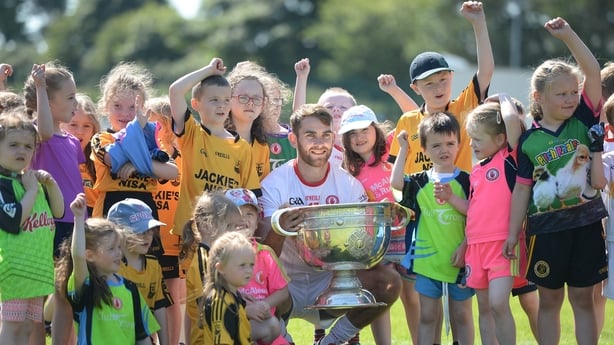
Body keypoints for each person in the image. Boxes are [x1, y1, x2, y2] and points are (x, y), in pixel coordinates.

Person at [260, 104, 401, 345]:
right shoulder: (275, 183)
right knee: (249, 283)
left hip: (330, 282)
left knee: (389, 282)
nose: (319, 142)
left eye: (326, 135)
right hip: (286, 285)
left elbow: (362, 243)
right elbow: (263, 253)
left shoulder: (348, 184)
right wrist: (279, 228)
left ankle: (333, 340)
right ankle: (283, 338)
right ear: (293, 139)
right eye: (310, 135)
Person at [504, 17, 607, 345]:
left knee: (583, 300)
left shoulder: (583, 118)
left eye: (573, 92)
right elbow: (522, 189)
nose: (569, 99)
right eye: (560, 94)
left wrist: (569, 36)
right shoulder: (528, 140)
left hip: (586, 226)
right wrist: (511, 233)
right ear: (539, 97)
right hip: (545, 232)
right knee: (549, 302)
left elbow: (592, 71)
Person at [391, 113, 474, 345]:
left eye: (450, 143)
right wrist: (404, 150)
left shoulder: (468, 181)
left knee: (462, 315)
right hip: (428, 261)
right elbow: (396, 183)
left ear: (459, 144)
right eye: (436, 145)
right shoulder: (420, 182)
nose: (443, 150)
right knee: (427, 315)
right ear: (425, 150)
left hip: (460, 260)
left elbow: (476, 215)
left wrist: (466, 246)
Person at [387, 1, 494, 174]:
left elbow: (486, 71)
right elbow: (395, 167)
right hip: (418, 200)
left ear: (451, 77)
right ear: (415, 88)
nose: (439, 88)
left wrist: (479, 22)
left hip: (458, 197)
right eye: (429, 83)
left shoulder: (463, 108)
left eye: (443, 79)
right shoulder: (407, 121)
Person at [24, 62, 84, 345]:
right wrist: (39, 87)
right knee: (39, 295)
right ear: (48, 103)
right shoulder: (39, 135)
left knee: (66, 293)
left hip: (74, 225)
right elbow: (45, 130)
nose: (76, 102)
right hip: (48, 224)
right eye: (70, 97)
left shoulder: (72, 140)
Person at [168, 57, 261, 242]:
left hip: (229, 236)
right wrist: (209, 70)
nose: (222, 105)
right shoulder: (192, 134)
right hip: (192, 234)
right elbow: (175, 91)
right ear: (196, 104)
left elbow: (251, 197)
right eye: (214, 100)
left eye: (227, 100)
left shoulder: (242, 147)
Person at [338, 104, 406, 345]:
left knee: (412, 295)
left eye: (364, 130)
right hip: (377, 240)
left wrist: (392, 92)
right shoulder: (348, 170)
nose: (359, 137)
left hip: (406, 232)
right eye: (352, 134)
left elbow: (413, 117)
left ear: (376, 129)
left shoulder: (391, 149)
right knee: (382, 295)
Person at [463, 98, 526, 345]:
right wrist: (465, 244)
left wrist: (502, 98)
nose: (471, 144)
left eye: (477, 139)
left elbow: (511, 121)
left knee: (498, 303)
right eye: (471, 137)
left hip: (503, 245)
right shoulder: (476, 170)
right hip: (476, 248)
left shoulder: (509, 158)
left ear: (500, 140)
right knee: (484, 308)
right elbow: (474, 212)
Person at [57, 193, 160, 345]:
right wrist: (79, 219)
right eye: (111, 249)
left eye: (119, 247)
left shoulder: (130, 289)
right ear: (90, 255)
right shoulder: (86, 286)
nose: (118, 253)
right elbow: (78, 257)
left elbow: (142, 336)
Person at [0, 110, 64, 345]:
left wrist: (50, 183)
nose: (22, 151)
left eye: (28, 146)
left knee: (27, 328)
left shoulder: (30, 180)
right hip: (15, 268)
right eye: (13, 145)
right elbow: (14, 220)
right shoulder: (4, 184)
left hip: (37, 267)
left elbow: (58, 212)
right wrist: (31, 191)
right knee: (13, 325)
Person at [90, 62, 178, 218]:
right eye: (117, 106)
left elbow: (172, 171)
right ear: (105, 107)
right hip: (111, 209)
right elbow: (112, 159)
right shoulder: (102, 138)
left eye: (133, 107)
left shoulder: (150, 139)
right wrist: (143, 160)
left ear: (143, 109)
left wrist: (135, 165)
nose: (125, 113)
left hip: (145, 211)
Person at [177, 191, 245, 345]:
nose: (235, 233)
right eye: (229, 226)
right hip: (208, 339)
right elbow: (212, 305)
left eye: (236, 227)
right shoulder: (203, 261)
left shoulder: (217, 258)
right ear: (206, 225)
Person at [225, 188, 291, 345]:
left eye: (249, 214)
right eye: (236, 213)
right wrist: (244, 308)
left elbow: (283, 292)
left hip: (265, 325)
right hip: (232, 326)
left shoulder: (265, 253)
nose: (243, 219)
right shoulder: (218, 254)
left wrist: (264, 305)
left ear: (257, 221)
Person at [146, 95, 186, 345]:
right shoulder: (144, 155)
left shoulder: (186, 155)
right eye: (154, 124)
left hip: (174, 238)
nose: (160, 130)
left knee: (172, 299)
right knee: (146, 296)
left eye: (164, 123)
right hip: (148, 238)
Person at [108, 198, 173, 345]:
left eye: (150, 230)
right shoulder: (110, 266)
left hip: (142, 336)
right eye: (140, 231)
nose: (148, 237)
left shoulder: (153, 264)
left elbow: (159, 308)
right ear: (117, 232)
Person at [200, 231, 255, 345]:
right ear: (221, 268)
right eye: (242, 265)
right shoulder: (221, 301)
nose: (249, 270)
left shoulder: (233, 295)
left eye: (251, 265)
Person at [226, 61, 272, 180]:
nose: (250, 103)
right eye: (243, 98)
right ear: (228, 99)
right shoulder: (216, 139)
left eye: (257, 99)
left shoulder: (262, 147)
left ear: (263, 105)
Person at [61, 93, 101, 216]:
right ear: (60, 124)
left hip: (94, 222)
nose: (80, 132)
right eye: (73, 125)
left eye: (87, 126)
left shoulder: (100, 160)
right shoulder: (55, 157)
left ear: (94, 129)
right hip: (64, 217)